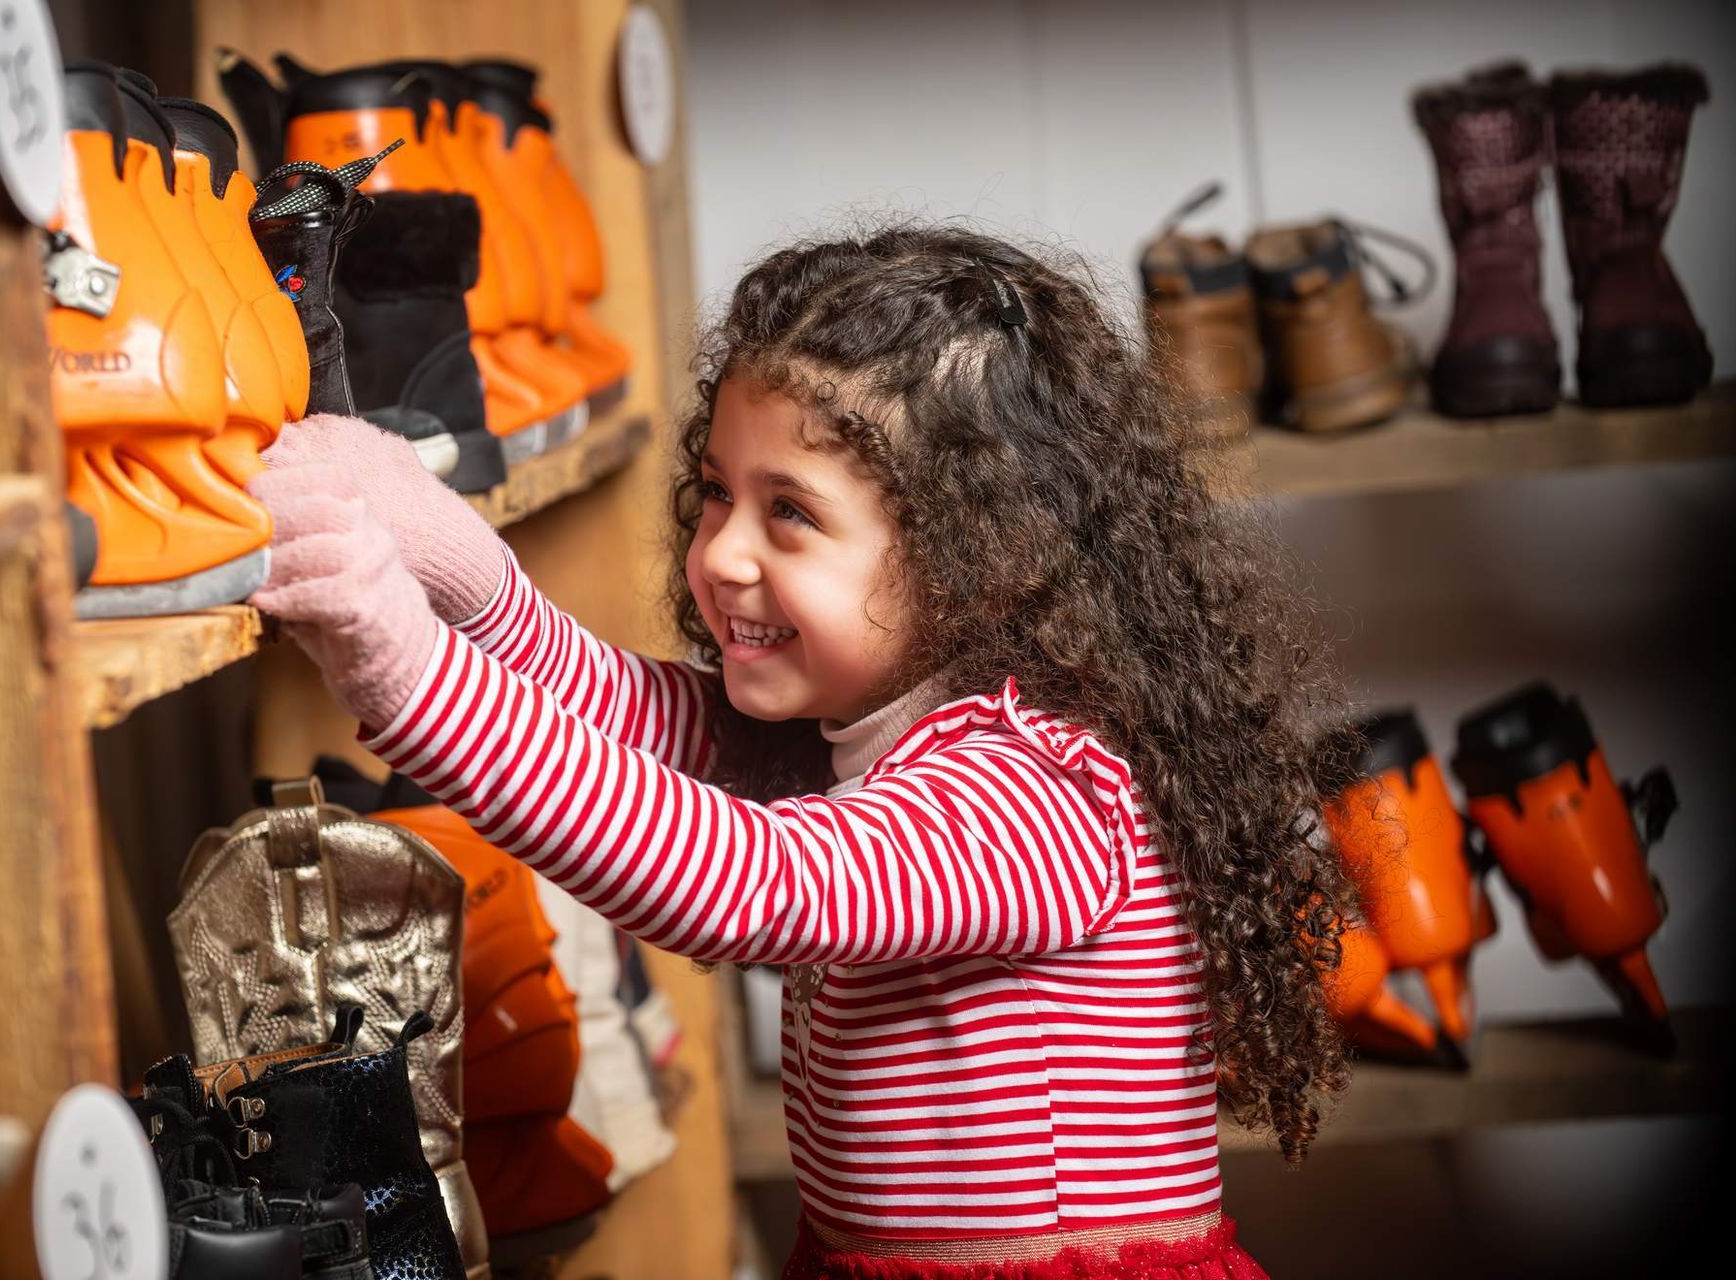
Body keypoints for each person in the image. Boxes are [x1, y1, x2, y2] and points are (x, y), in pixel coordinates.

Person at [249, 225, 1355, 1280]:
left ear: (985, 554)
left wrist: (402, 662)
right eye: (720, 492)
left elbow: (749, 879)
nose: (722, 551)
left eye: (791, 514)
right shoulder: (881, 733)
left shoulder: (1043, 789)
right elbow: (647, 727)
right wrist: (457, 567)